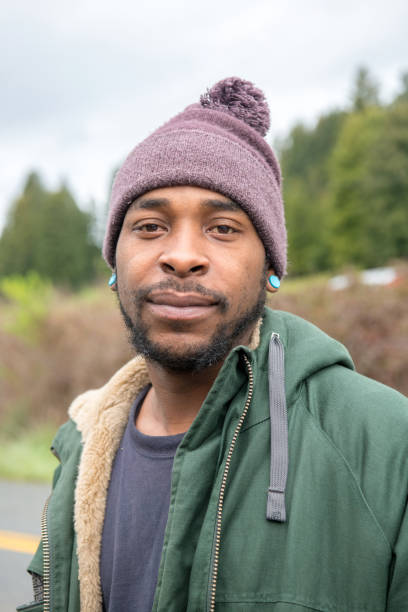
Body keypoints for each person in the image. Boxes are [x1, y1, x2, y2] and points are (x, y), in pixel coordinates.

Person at [19, 77, 408, 612]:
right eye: (151, 226)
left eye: (222, 228)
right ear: (114, 265)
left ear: (272, 265)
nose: (182, 255)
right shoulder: (82, 451)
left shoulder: (385, 442)